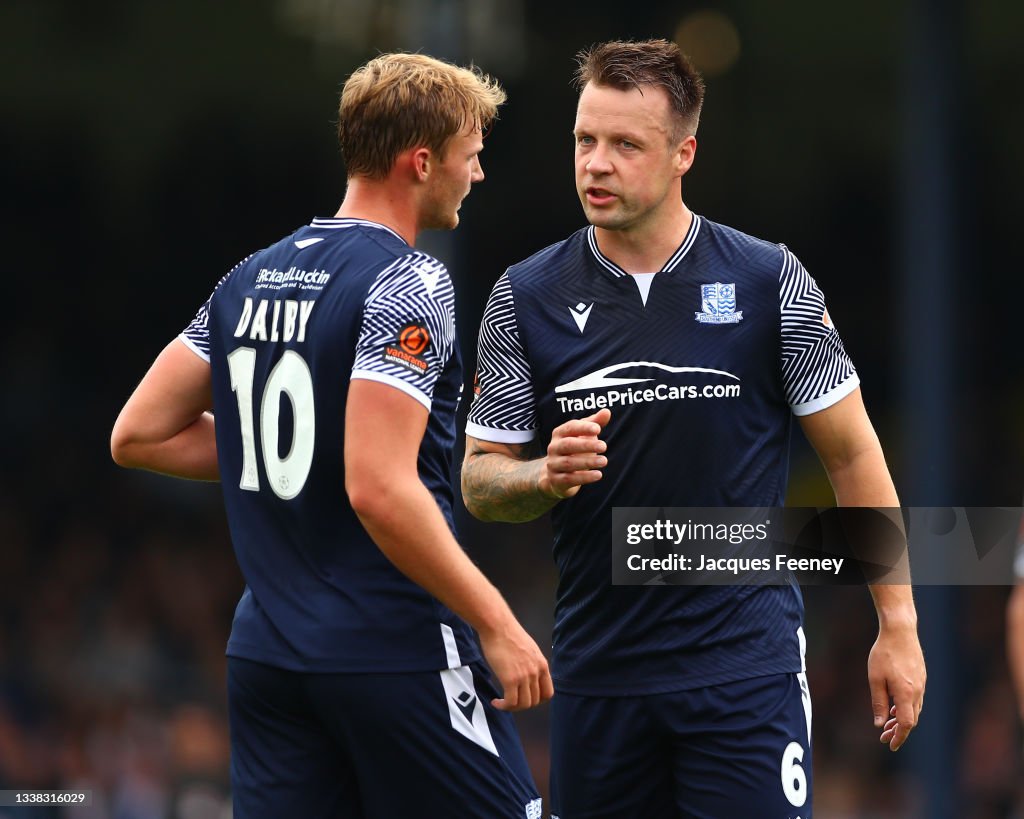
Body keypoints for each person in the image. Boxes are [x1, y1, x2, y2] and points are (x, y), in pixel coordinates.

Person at [461, 39, 926, 818]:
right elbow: (479, 480)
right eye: (585, 140)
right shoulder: (523, 296)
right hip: (600, 676)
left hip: (745, 673)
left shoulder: (770, 279)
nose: (596, 164)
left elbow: (852, 455)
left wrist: (899, 623)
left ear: (684, 153)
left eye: (624, 145)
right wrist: (539, 474)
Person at [111, 52, 551, 819]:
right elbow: (378, 487)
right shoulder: (409, 282)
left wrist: (302, 451)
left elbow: (139, 433)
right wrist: (498, 622)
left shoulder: (248, 276)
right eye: (470, 157)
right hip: (390, 648)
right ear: (421, 162)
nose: (476, 176)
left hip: (268, 654)